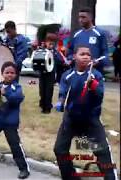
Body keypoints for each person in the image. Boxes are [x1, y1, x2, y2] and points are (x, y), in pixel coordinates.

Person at [53, 44, 117, 180]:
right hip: (70, 120)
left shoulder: (96, 75)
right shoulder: (67, 75)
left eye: (88, 55)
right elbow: (63, 93)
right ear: (75, 57)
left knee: (102, 151)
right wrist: (60, 102)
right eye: (82, 54)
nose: (86, 57)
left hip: (91, 121)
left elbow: (100, 95)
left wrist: (93, 86)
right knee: (59, 150)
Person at [0, 61, 30, 179]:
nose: (9, 75)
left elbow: (16, 99)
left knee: (15, 145)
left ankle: (24, 168)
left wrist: (5, 93)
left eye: (12, 73)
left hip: (9, 121)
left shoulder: (16, 87)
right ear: (2, 74)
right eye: (7, 72)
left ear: (16, 74)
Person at [67, 7, 109, 76]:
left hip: (94, 72)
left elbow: (105, 54)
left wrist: (98, 61)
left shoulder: (99, 33)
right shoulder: (76, 34)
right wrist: (72, 58)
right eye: (79, 17)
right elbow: (70, 52)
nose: (80, 20)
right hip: (77, 73)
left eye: (83, 17)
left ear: (91, 18)